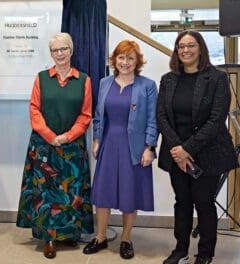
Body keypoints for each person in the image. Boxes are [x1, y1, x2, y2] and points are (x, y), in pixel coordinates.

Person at [157, 30, 238, 264]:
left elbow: (216, 119)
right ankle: (180, 249)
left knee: (204, 202)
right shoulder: (168, 79)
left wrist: (187, 149)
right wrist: (177, 149)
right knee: (182, 202)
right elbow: (161, 116)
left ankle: (205, 254)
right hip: (175, 152)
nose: (185, 50)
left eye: (190, 46)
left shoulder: (217, 78)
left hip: (207, 151)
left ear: (200, 48)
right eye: (180, 46)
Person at [16, 32, 93, 259]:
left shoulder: (84, 80)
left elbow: (86, 114)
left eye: (63, 49)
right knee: (46, 193)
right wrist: (51, 136)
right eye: (55, 50)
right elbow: (34, 109)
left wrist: (67, 136)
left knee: (71, 191)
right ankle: (49, 237)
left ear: (71, 50)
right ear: (51, 53)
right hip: (43, 146)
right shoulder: (41, 78)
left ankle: (69, 233)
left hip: (72, 147)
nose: (59, 54)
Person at [82, 40, 158, 260]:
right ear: (114, 59)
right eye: (121, 57)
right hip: (109, 143)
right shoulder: (105, 83)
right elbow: (99, 115)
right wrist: (96, 139)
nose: (125, 62)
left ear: (138, 61)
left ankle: (126, 239)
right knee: (103, 194)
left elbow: (152, 119)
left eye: (130, 58)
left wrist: (149, 147)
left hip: (134, 148)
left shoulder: (147, 85)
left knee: (129, 194)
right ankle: (100, 237)